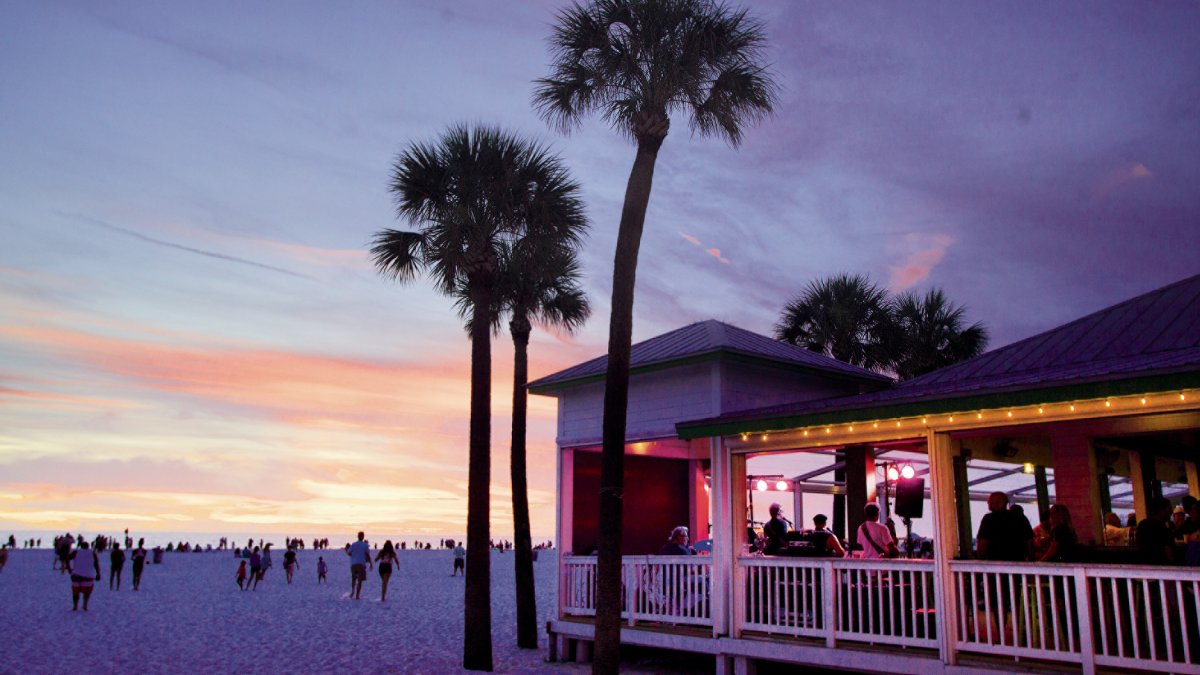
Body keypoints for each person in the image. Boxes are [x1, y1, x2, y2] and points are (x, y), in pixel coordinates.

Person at [975, 492, 1032, 561]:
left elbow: (982, 542)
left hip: (995, 562)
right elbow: (1029, 541)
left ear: (998, 503)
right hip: (1018, 561)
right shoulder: (1020, 517)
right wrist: (1031, 559)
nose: (988, 504)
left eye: (990, 502)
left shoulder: (989, 519)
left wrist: (981, 560)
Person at [1137, 496, 1176, 565]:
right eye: (1169, 509)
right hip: (1162, 567)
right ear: (1161, 510)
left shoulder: (1142, 525)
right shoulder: (1163, 529)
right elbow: (1169, 554)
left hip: (1145, 567)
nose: (1171, 512)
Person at [68, 541, 100, 611]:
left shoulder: (76, 552)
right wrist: (98, 574)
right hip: (88, 575)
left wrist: (69, 569)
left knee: (75, 592)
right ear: (88, 547)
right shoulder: (92, 552)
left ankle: (75, 606)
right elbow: (96, 563)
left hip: (76, 575)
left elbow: (67, 558)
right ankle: (85, 605)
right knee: (87, 592)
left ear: (81, 546)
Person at [347, 531, 373, 599]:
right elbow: (368, 555)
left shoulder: (354, 544)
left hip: (354, 563)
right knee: (360, 580)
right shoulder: (365, 545)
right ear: (363, 536)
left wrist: (353, 556)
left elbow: (348, 552)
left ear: (357, 536)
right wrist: (370, 563)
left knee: (354, 578)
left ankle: (352, 591)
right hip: (361, 564)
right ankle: (357, 595)